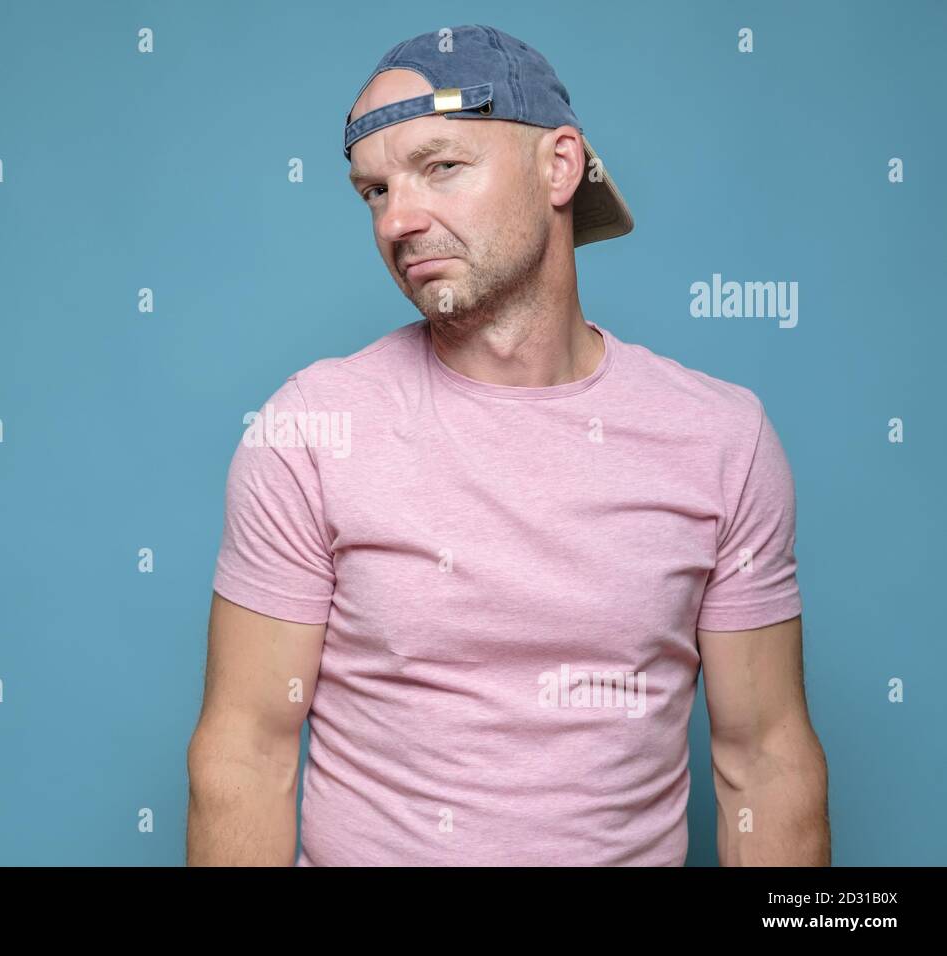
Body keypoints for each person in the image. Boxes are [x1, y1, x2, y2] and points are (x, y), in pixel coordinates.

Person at [187, 24, 829, 866]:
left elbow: (768, 761)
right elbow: (245, 755)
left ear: (559, 166)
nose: (399, 220)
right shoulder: (310, 430)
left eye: (441, 167)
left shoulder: (720, 438)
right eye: (374, 191)